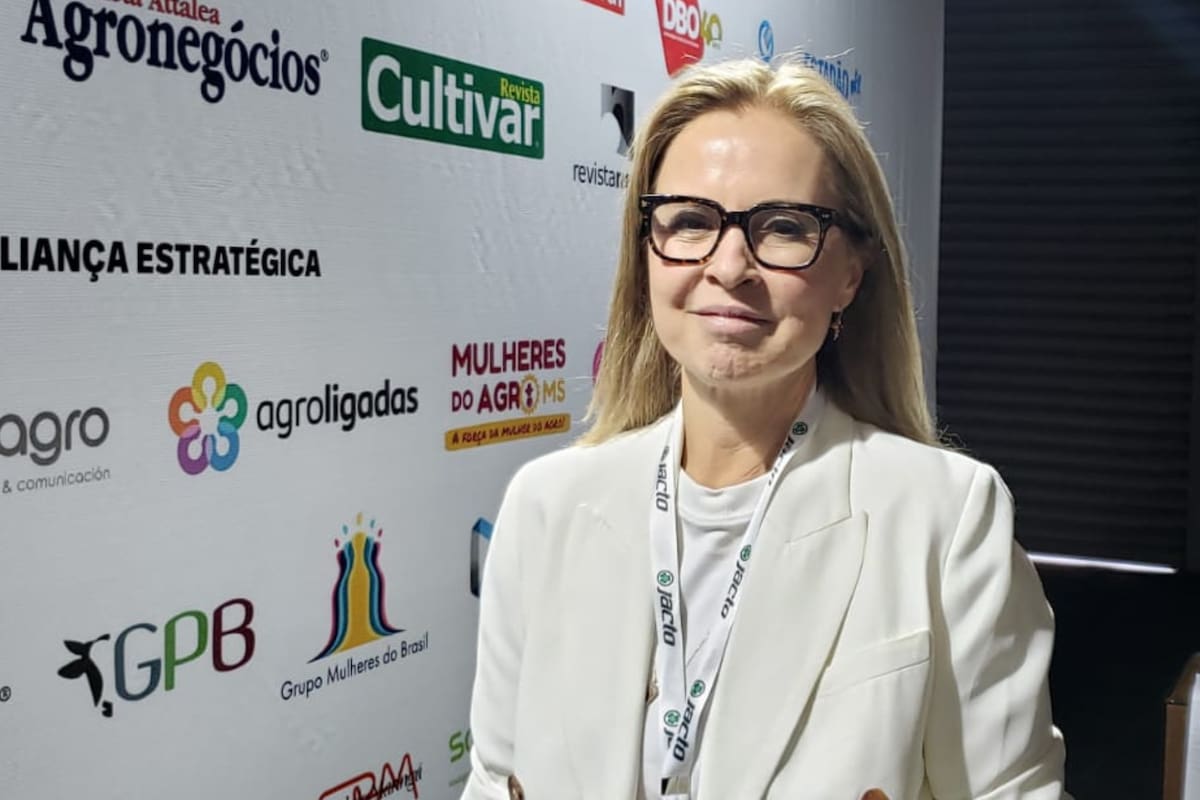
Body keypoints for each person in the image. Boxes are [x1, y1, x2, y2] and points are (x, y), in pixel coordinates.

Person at [462, 57, 1068, 800]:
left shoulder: (946, 517)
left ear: (851, 272)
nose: (729, 265)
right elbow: (494, 782)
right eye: (689, 222)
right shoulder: (545, 505)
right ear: (644, 251)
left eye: (784, 227)